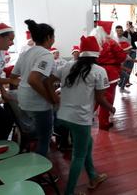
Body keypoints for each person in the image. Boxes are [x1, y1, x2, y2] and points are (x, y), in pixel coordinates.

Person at [45, 35, 114, 195]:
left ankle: (93, 177)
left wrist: (56, 101)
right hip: (80, 119)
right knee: (79, 154)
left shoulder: (68, 65)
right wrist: (111, 108)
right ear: (97, 53)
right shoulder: (99, 71)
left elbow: (48, 82)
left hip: (63, 116)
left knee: (87, 143)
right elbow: (100, 98)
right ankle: (69, 192)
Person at [10, 19, 57, 158]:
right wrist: (49, 98)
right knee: (45, 137)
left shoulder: (26, 52)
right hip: (37, 100)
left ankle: (26, 137)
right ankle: (40, 173)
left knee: (46, 125)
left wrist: (13, 95)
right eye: (53, 37)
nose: (54, 40)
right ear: (48, 37)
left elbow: (13, 76)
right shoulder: (46, 54)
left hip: (24, 98)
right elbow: (33, 80)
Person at [92, 21, 126, 129]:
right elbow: (122, 57)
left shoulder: (92, 41)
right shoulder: (111, 42)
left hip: (93, 71)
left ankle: (85, 118)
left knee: (93, 97)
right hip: (109, 72)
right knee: (107, 97)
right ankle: (103, 122)